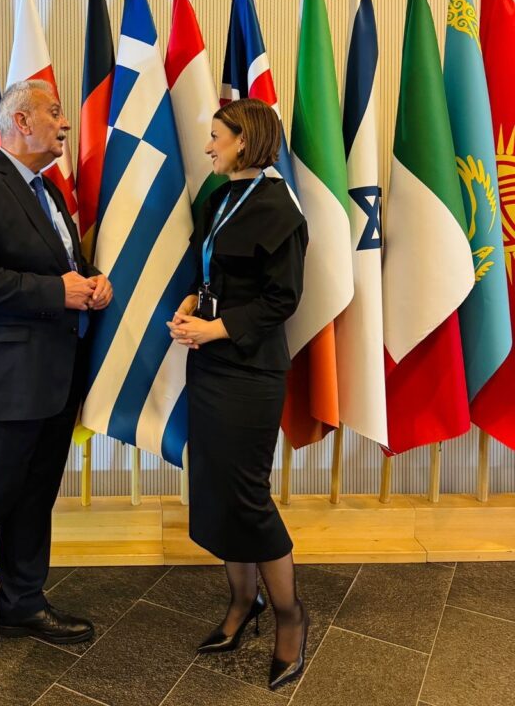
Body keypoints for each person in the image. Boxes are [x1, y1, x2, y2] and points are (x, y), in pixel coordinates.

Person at [0, 79, 113, 676]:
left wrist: (92, 281)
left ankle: (22, 603)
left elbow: (63, 267)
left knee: (35, 496)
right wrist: (57, 292)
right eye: (54, 113)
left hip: (55, 378)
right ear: (21, 122)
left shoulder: (49, 192)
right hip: (2, 380)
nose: (65, 124)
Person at [167, 98, 309, 691]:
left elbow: (283, 300)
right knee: (217, 488)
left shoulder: (279, 208)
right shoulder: (219, 198)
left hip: (251, 372)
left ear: (245, 140)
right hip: (210, 365)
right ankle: (242, 602)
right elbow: (210, 272)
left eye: (216, 137)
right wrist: (191, 303)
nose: (208, 147)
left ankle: (290, 617)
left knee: (247, 495)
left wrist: (216, 328)